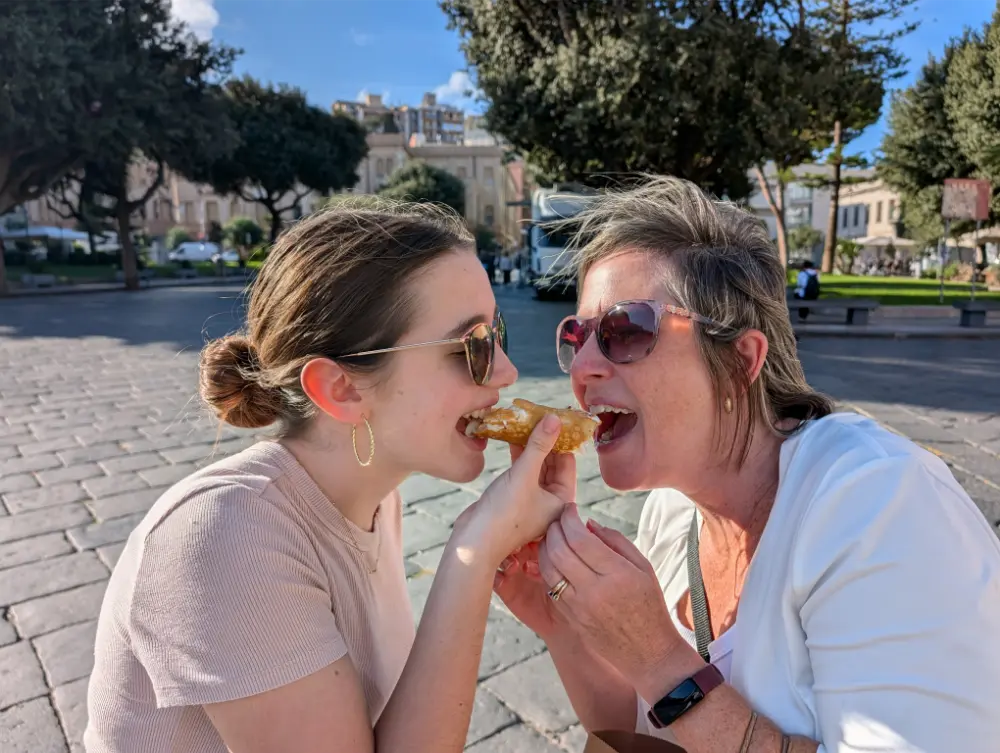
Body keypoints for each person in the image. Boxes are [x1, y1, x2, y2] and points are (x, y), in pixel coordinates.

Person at [494, 177, 1000, 753]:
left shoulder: (880, 505)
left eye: (624, 329)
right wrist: (563, 623)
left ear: (740, 361)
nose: (582, 367)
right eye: (577, 335)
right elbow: (646, 730)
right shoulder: (669, 511)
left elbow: (668, 688)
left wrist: (661, 660)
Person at [84, 198, 575, 753]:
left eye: (498, 333)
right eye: (474, 346)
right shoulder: (225, 536)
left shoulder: (375, 499)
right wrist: (475, 551)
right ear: (340, 389)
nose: (506, 372)